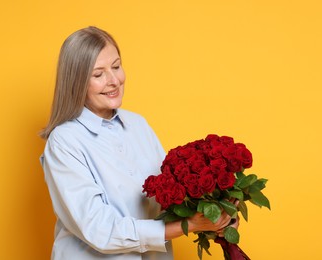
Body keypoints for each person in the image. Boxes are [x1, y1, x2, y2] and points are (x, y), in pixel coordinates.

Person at [39, 26, 237, 260]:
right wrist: (189, 225)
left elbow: (169, 197)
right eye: (98, 74)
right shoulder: (64, 141)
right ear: (77, 82)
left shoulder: (138, 125)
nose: (114, 80)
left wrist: (218, 214)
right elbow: (99, 229)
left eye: (116, 66)